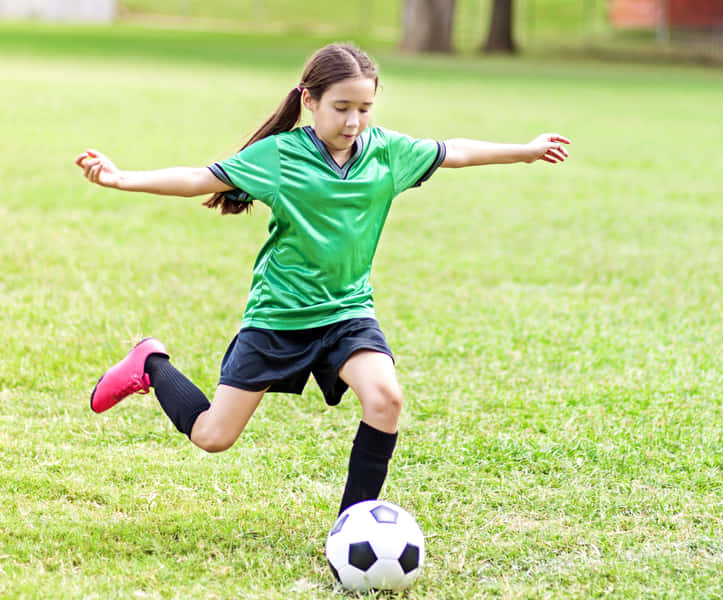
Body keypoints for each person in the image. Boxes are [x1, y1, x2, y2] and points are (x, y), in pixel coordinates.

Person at [75, 42, 570, 515]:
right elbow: (198, 179)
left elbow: (453, 150)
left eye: (365, 107)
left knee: (386, 397)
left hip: (347, 314)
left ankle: (353, 524)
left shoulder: (387, 153)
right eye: (341, 107)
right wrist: (123, 178)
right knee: (212, 437)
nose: (354, 121)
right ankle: (150, 362)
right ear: (309, 100)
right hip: (279, 317)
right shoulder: (279, 156)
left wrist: (525, 151)